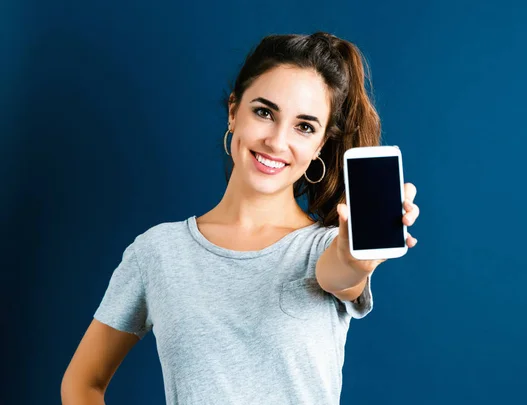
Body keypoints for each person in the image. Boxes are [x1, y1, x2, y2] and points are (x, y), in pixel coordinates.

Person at [61, 31, 420, 405]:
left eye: (304, 126)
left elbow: (339, 274)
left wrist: (353, 257)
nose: (277, 142)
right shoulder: (157, 252)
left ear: (319, 146)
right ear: (234, 111)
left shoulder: (326, 247)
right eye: (264, 112)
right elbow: (82, 383)